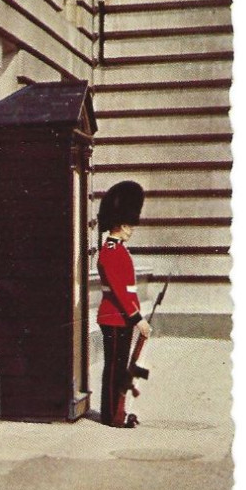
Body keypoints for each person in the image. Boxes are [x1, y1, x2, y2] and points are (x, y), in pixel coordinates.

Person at [96, 180, 152, 427]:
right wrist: (137, 319)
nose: (131, 230)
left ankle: (117, 411)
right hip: (115, 317)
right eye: (129, 225)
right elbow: (119, 290)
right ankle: (111, 415)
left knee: (120, 367)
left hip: (120, 317)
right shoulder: (110, 250)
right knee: (115, 368)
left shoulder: (118, 249)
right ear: (120, 225)